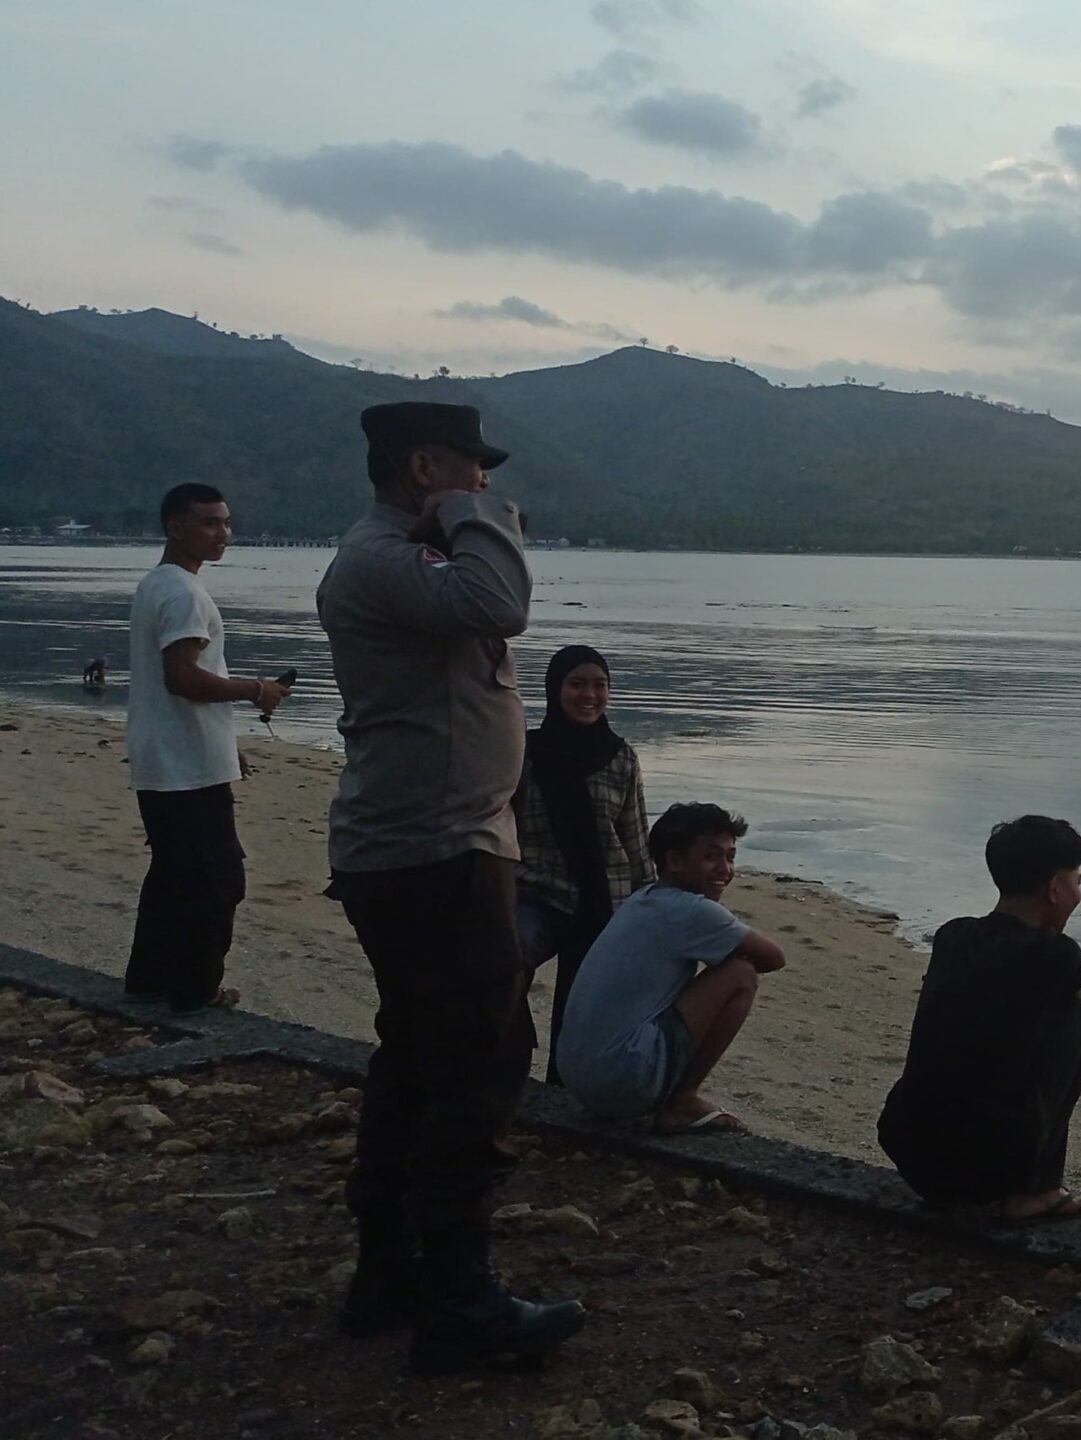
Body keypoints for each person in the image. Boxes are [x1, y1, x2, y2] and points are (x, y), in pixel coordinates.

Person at [317, 401, 584, 1375]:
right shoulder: (383, 560)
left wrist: (466, 519)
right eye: (470, 467)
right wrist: (486, 517)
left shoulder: (403, 560)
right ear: (426, 467)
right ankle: (459, 1299)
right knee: (480, 1056)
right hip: (434, 849)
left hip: (437, 843)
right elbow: (504, 605)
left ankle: (387, 1273)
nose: (483, 482)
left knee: (422, 1056)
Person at [878, 816, 1081, 1223]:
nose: (1078, 893)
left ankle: (1010, 1179)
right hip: (986, 1170)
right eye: (1077, 881)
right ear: (1054, 888)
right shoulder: (1057, 956)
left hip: (910, 1149)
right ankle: (1035, 1188)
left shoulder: (953, 936)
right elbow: (1070, 993)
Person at [122, 483, 291, 1014]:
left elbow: (181, 682)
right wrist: (255, 689)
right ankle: (196, 991)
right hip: (183, 765)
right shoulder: (182, 594)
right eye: (211, 523)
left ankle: (149, 978)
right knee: (218, 880)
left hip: (172, 754)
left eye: (227, 523)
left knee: (172, 873)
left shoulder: (159, 584)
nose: (224, 534)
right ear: (176, 527)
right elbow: (184, 678)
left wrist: (226, 744)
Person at [553, 803, 784, 1134]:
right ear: (674, 860)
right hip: (621, 1079)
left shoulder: (643, 898)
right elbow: (774, 958)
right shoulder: (691, 910)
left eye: (730, 857)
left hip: (577, 1076)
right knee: (741, 975)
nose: (725, 869)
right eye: (711, 856)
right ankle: (682, 1102)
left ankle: (670, 1096)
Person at [513, 644, 651, 1080]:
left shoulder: (621, 758)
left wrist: (650, 909)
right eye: (577, 684)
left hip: (603, 906)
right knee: (497, 961)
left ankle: (560, 1095)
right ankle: (508, 1059)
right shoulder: (524, 752)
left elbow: (635, 842)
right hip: (538, 895)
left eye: (599, 685)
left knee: (580, 1017)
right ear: (556, 689)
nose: (588, 694)